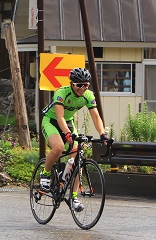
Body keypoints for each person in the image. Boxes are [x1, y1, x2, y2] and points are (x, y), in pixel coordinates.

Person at [40, 67, 111, 213]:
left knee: (78, 156)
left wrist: (103, 133)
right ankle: (45, 174)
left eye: (85, 85)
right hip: (51, 121)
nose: (82, 88)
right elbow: (59, 117)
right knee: (59, 148)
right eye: (79, 85)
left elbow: (96, 116)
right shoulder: (61, 92)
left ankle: (74, 197)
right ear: (72, 84)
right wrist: (67, 134)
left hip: (68, 122)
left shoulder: (88, 96)